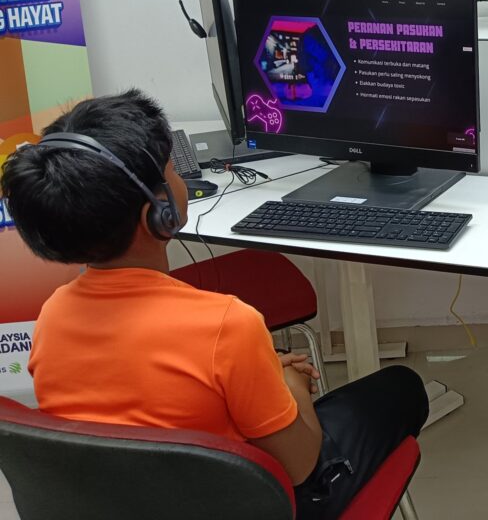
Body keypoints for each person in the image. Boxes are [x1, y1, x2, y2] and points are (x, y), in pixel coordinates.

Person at [0, 89, 428, 518]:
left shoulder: (52, 316)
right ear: (158, 212)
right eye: (172, 170)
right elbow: (299, 465)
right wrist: (289, 383)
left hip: (118, 503)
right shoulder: (227, 325)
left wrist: (261, 374)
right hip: (246, 504)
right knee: (400, 388)